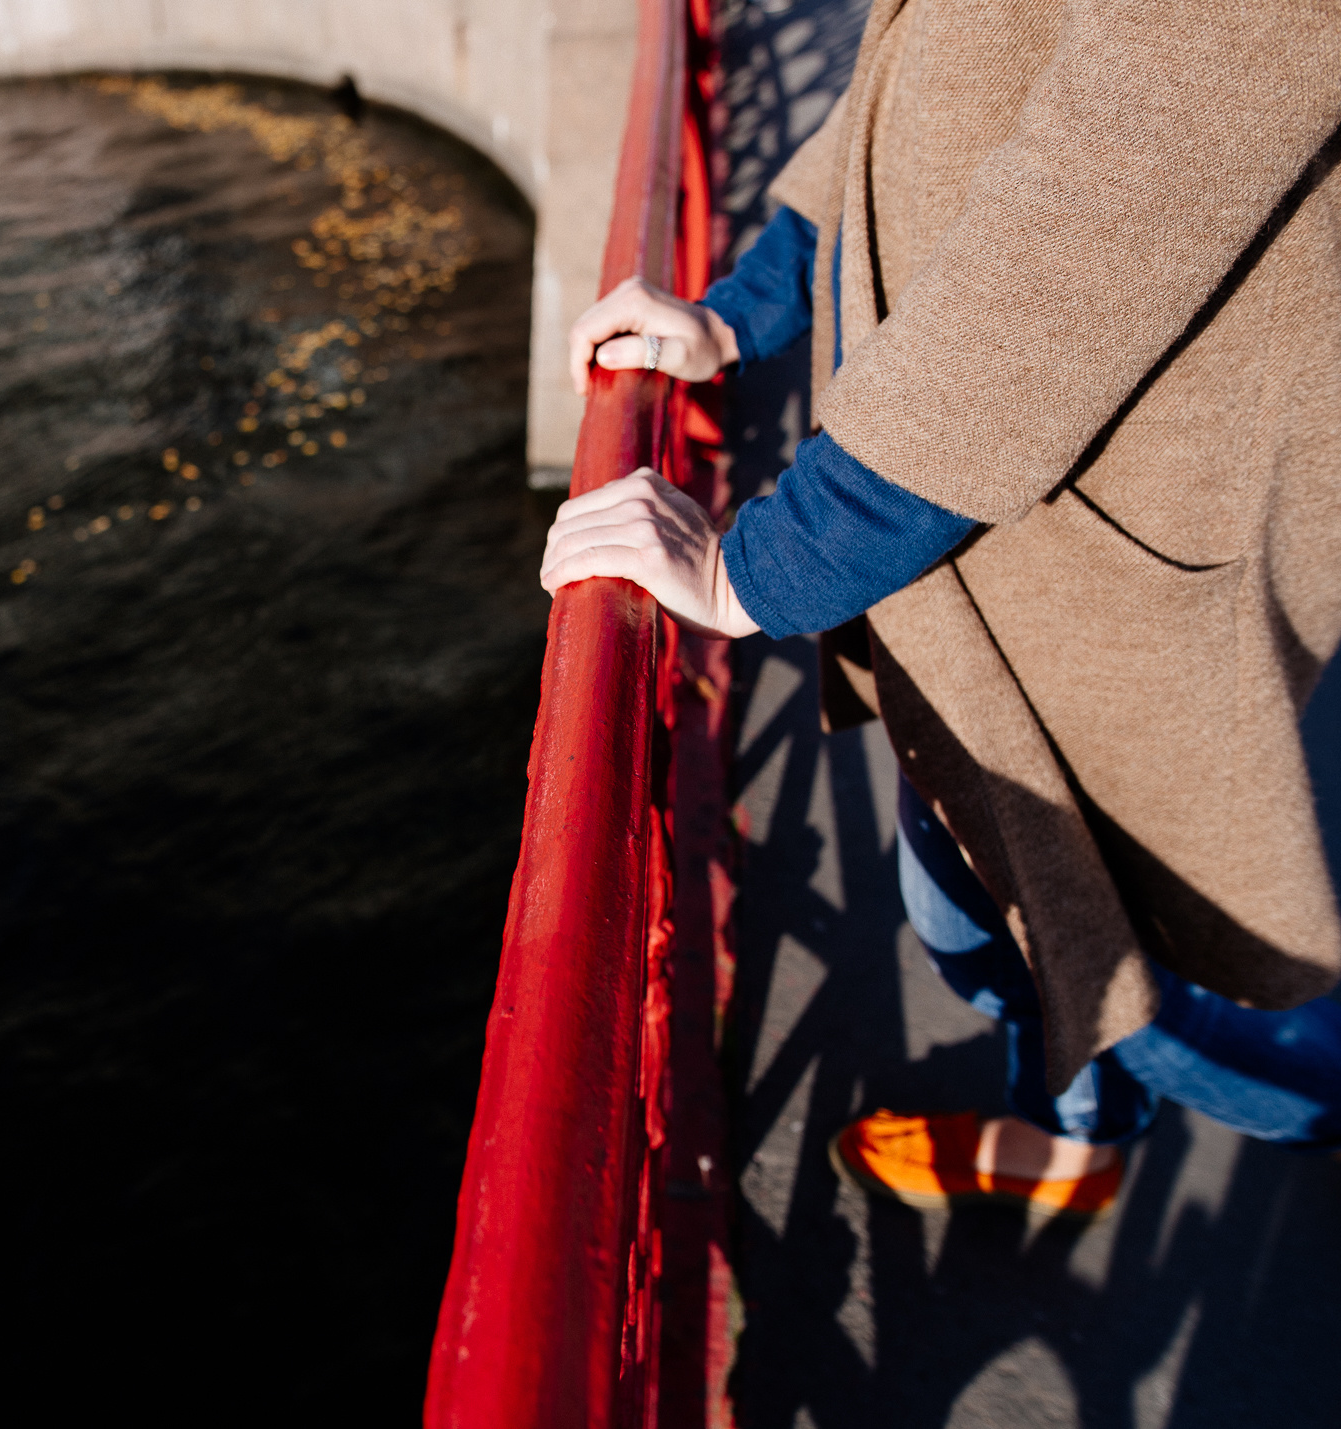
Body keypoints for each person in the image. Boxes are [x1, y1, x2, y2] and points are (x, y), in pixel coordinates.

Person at [542, 0, 1341, 1218]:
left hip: (1094, 511)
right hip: (983, 502)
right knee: (1006, 901)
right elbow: (922, 61)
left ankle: (1096, 1120)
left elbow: (1127, 166)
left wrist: (770, 565)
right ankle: (1074, 1135)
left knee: (1162, 965)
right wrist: (746, 306)